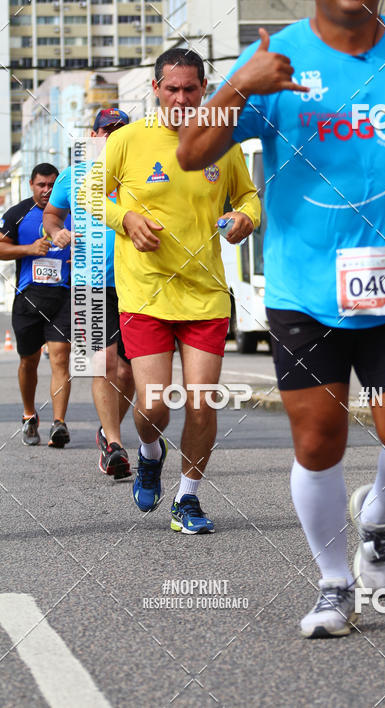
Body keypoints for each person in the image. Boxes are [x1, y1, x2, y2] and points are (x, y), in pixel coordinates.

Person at [176, 0, 385, 636]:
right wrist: (240, 84)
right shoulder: (274, 61)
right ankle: (335, 584)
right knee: (318, 442)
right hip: (304, 291)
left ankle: (377, 514)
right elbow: (191, 153)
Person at [79, 48, 261, 533]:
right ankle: (149, 450)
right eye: (172, 88)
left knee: (201, 402)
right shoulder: (127, 139)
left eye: (190, 89)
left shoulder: (222, 141)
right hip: (145, 294)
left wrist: (246, 217)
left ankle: (188, 498)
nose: (181, 98)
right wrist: (126, 218)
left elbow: (248, 196)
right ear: (156, 89)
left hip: (205, 294)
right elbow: (89, 193)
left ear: (204, 89)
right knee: (155, 405)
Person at [43, 108, 135, 479]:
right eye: (106, 130)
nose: (112, 135)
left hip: (136, 282)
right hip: (90, 283)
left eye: (119, 130)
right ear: (93, 135)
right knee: (106, 364)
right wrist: (57, 232)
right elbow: (52, 215)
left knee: (130, 373)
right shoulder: (73, 175)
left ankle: (107, 428)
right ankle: (114, 445)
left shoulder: (139, 170)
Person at [0, 163, 72, 447]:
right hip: (28, 298)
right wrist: (29, 249)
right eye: (42, 185)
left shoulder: (72, 213)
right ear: (32, 185)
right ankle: (29, 415)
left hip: (63, 297)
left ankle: (59, 423)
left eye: (52, 185)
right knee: (28, 361)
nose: (47, 190)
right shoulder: (18, 213)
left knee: (60, 358)